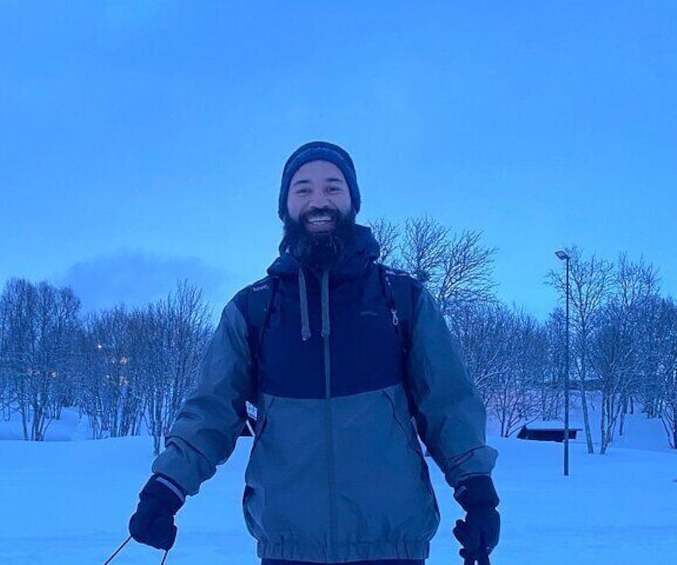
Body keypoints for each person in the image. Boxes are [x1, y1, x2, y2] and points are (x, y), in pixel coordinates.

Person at [128, 141, 500, 565]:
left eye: (333, 188)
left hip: (392, 545)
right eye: (302, 190)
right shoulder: (253, 309)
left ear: (353, 201)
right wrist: (166, 489)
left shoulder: (402, 299)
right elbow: (212, 409)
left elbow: (447, 403)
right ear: (285, 207)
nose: (318, 201)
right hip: (288, 548)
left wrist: (477, 493)